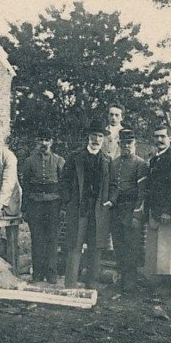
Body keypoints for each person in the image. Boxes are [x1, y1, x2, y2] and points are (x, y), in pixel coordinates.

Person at [60, 118, 116, 289]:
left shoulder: (107, 160)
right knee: (74, 245)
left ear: (104, 138)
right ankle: (70, 283)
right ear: (88, 136)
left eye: (100, 136)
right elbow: (64, 182)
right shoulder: (74, 157)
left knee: (96, 247)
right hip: (79, 208)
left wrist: (110, 201)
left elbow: (114, 185)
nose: (97, 139)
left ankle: (91, 283)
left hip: (98, 210)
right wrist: (68, 202)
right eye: (94, 135)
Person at [143, 123, 171, 287]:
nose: (159, 139)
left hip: (169, 214)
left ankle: (168, 285)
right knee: (156, 250)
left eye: (163, 136)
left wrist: (169, 211)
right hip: (155, 212)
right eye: (156, 136)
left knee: (168, 251)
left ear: (170, 138)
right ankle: (156, 284)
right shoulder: (154, 160)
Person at [21, 129, 65, 284]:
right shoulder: (29, 161)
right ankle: (38, 274)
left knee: (52, 239)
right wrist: (24, 208)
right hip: (35, 204)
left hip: (54, 203)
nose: (44, 144)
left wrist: (63, 207)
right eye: (41, 140)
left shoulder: (59, 160)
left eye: (47, 140)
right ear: (36, 142)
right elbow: (25, 185)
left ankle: (52, 273)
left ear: (51, 142)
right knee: (37, 238)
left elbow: (64, 185)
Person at [110, 129, 148, 291]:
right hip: (116, 210)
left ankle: (131, 281)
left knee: (132, 246)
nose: (126, 146)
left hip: (131, 208)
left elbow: (142, 192)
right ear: (119, 144)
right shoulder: (115, 163)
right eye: (123, 143)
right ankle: (121, 278)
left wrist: (137, 214)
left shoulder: (141, 164)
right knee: (118, 244)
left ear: (135, 144)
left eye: (129, 143)